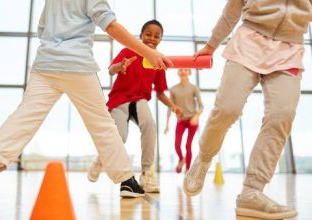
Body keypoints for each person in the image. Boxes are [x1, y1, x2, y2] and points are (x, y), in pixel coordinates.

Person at [0, 0, 173, 206]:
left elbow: (42, 29)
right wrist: (148, 52)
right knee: (103, 126)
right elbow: (110, 25)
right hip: (78, 66)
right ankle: (127, 181)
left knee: (23, 118)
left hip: (45, 65)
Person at [183, 0, 312, 219]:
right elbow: (232, 9)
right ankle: (204, 157)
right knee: (227, 109)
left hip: (289, 48)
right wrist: (212, 44)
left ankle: (252, 190)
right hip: (250, 40)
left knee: (282, 116)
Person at [87, 20, 183, 193]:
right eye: (148, 34)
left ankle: (146, 173)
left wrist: (173, 106)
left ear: (161, 39)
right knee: (120, 137)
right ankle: (101, 159)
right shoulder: (127, 51)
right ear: (141, 35)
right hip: (120, 99)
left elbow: (160, 93)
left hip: (140, 100)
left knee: (150, 126)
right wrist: (120, 65)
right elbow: (110, 70)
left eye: (156, 36)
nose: (152, 38)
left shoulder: (158, 61)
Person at [164, 68, 203, 173]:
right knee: (177, 144)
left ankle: (187, 170)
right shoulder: (173, 89)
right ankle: (182, 159)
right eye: (181, 69)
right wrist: (167, 124)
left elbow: (201, 106)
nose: (183, 71)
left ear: (189, 72)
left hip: (192, 121)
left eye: (186, 69)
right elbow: (170, 107)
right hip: (181, 120)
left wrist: (197, 116)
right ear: (178, 72)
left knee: (188, 145)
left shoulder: (194, 88)